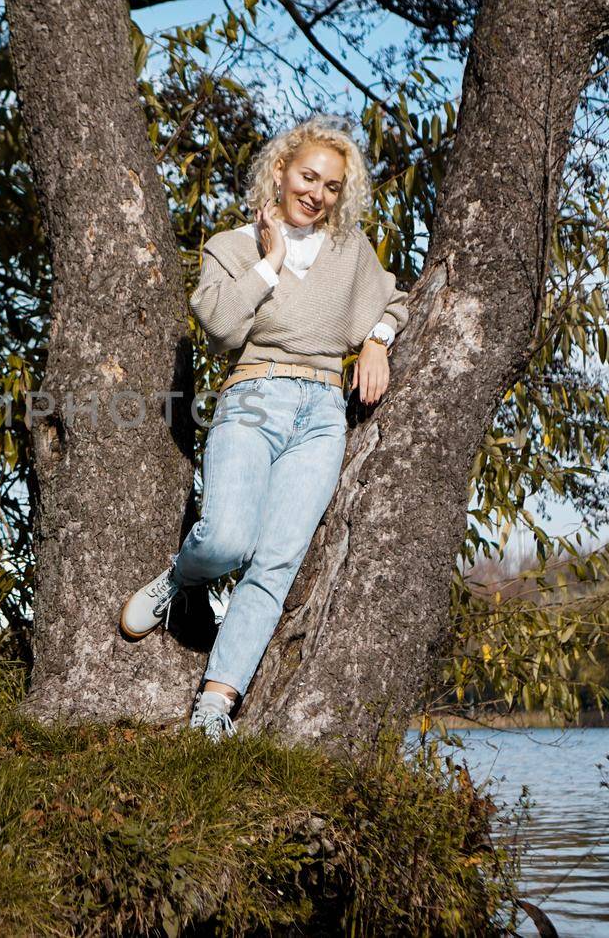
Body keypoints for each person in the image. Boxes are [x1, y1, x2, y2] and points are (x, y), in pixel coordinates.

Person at [117, 113, 408, 742]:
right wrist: (271, 260)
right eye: (308, 177)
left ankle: (213, 709)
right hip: (253, 396)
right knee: (226, 540)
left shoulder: (350, 252)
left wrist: (379, 340)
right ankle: (180, 577)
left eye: (332, 187)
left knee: (275, 564)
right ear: (280, 172)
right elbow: (220, 328)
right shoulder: (230, 246)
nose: (318, 194)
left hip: (324, 415)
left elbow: (392, 300)